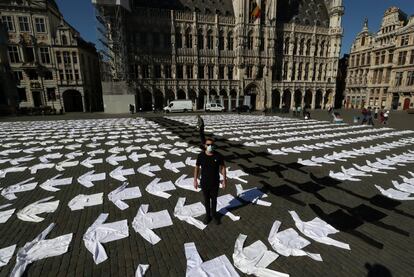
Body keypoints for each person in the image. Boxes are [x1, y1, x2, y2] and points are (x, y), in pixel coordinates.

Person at [194, 138, 227, 225]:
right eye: (208, 144)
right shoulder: (200, 156)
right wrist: (195, 180)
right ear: (205, 145)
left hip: (215, 182)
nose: (210, 146)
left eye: (212, 144)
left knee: (214, 200)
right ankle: (208, 216)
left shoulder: (218, 156)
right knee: (206, 200)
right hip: (204, 182)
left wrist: (224, 180)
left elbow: (223, 167)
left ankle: (214, 215)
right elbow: (197, 167)